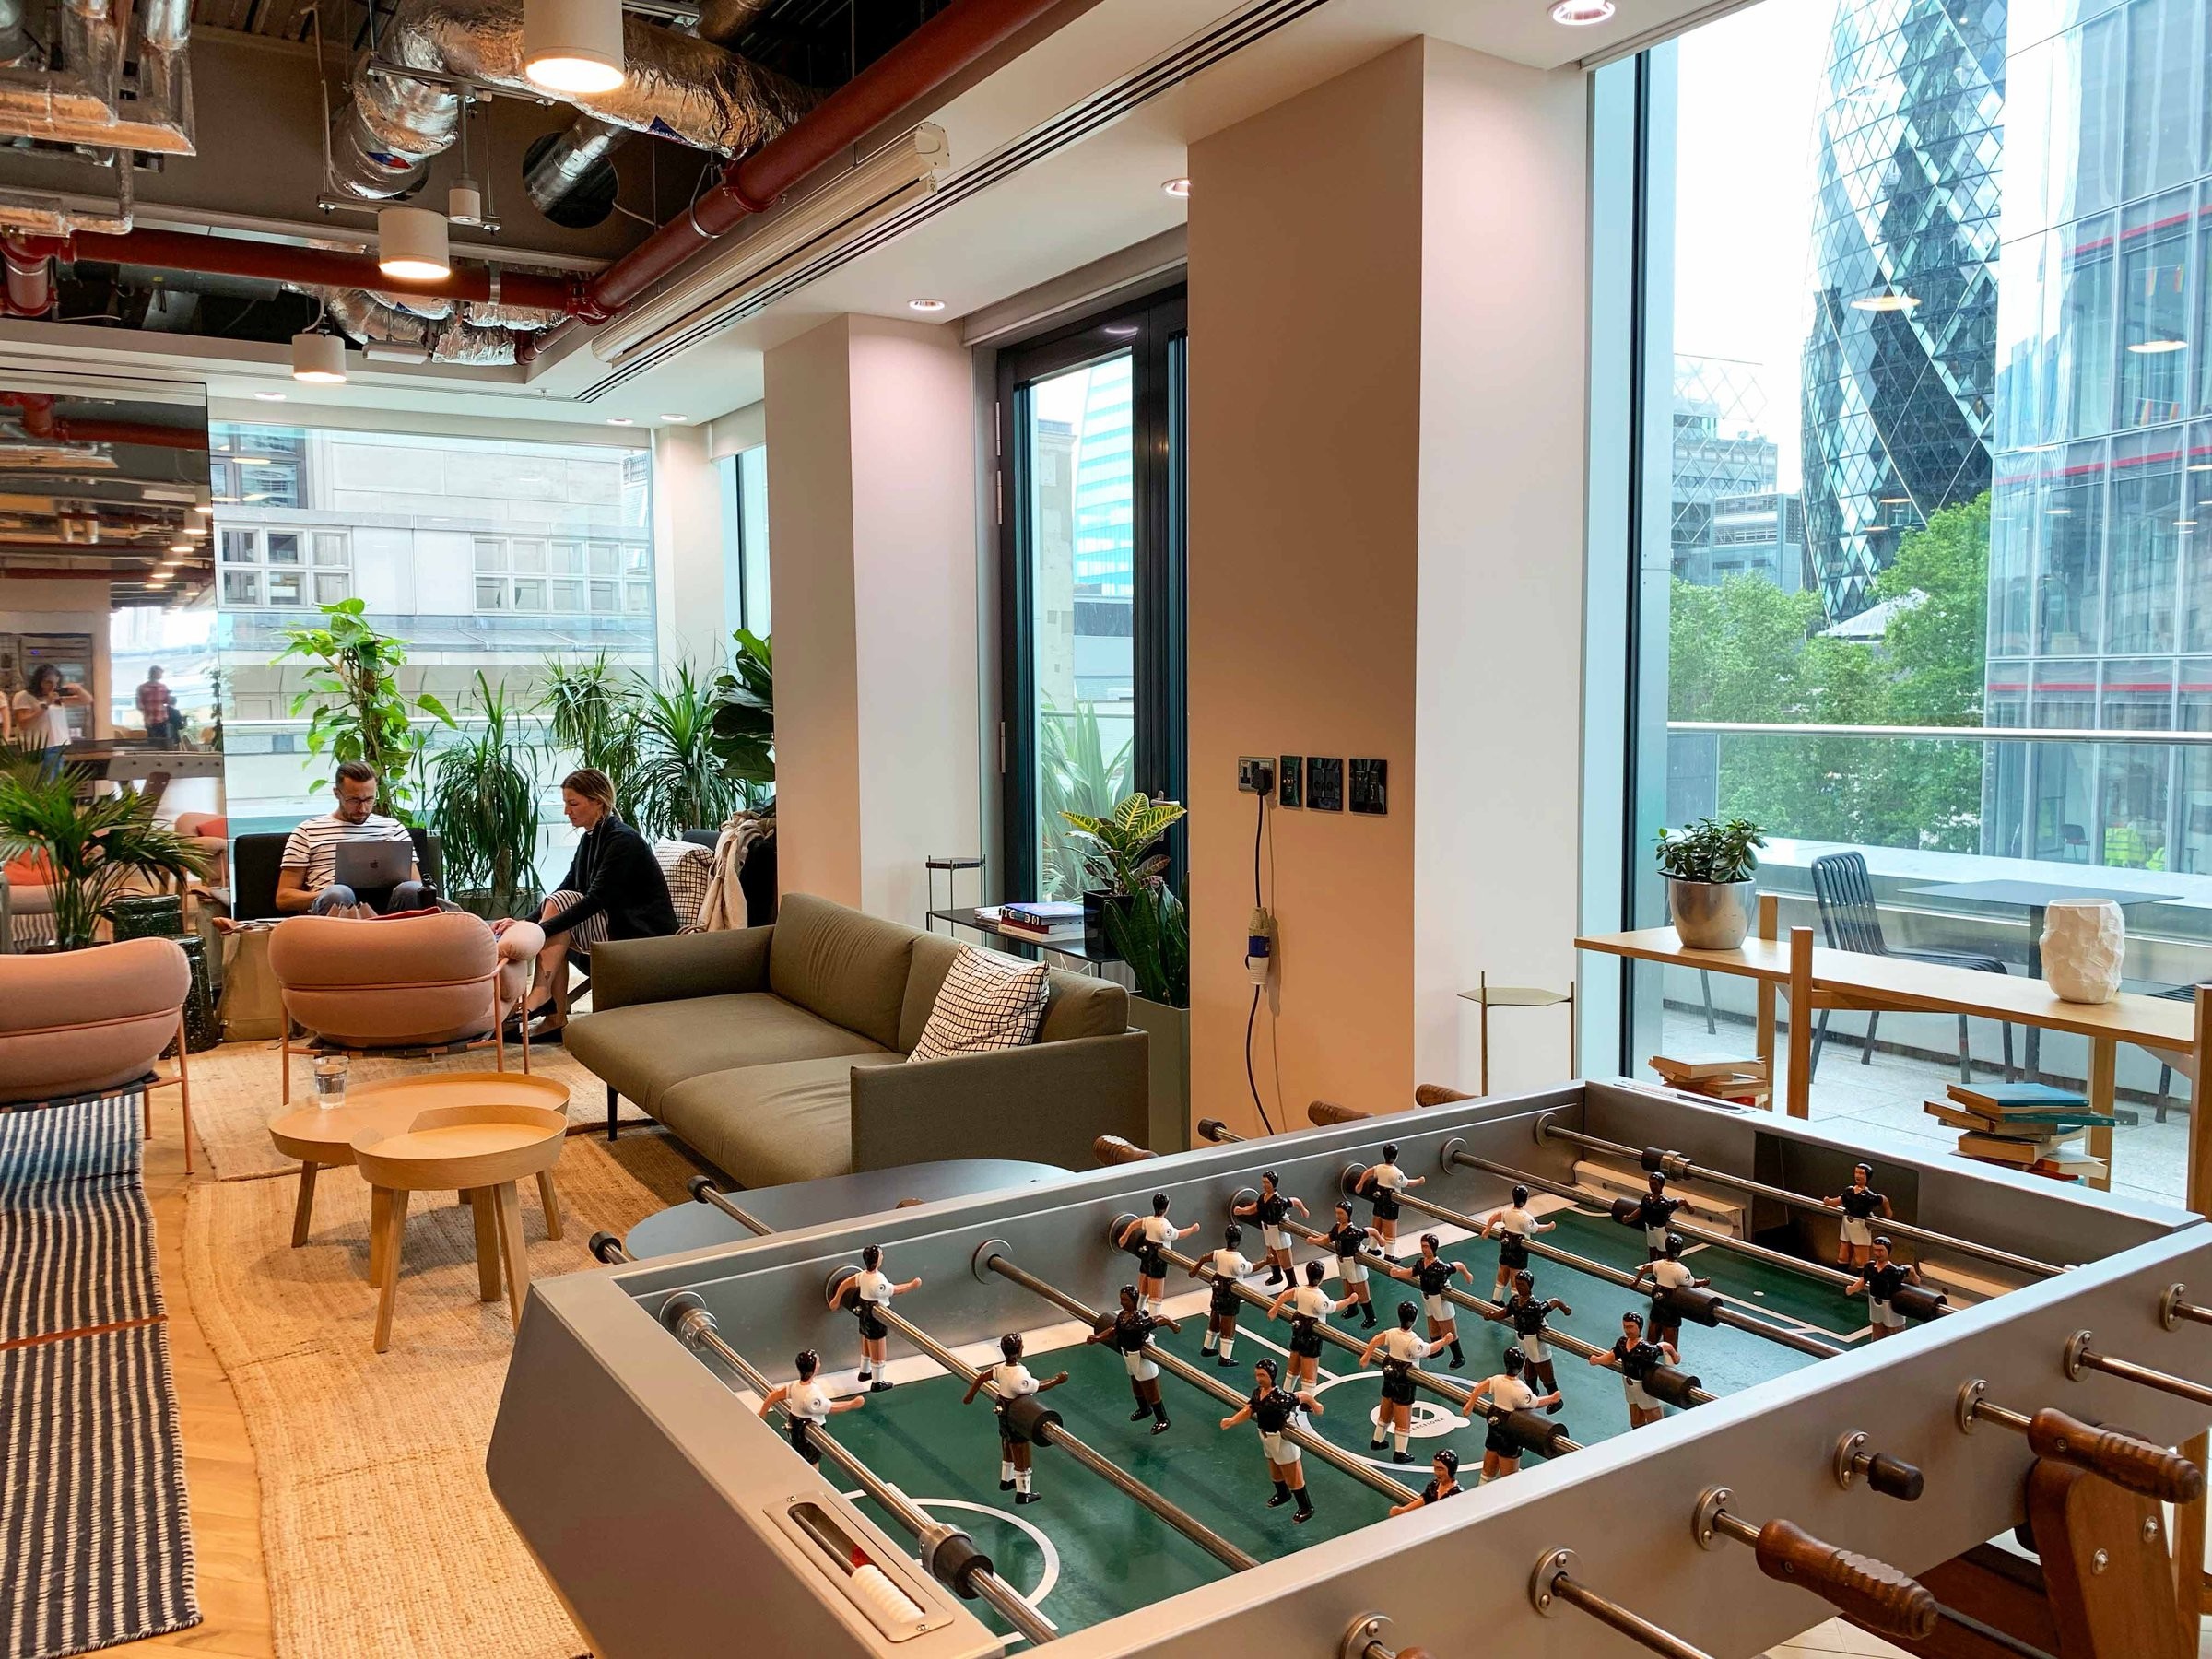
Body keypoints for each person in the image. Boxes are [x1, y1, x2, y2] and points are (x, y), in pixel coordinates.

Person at [497, 768, 678, 1036]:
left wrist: (540, 929)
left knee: (559, 917)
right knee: (560, 911)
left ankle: (542, 995)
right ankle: (554, 1018)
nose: (567, 811)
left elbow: (596, 900)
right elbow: (568, 885)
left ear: (598, 801)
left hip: (638, 932)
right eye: (566, 804)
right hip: (613, 923)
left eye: (573, 803)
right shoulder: (591, 838)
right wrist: (527, 922)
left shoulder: (622, 840)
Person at [276, 760, 434, 915]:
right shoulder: (307, 831)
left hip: (390, 910)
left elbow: (417, 886)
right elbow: (284, 898)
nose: (363, 808)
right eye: (354, 800)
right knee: (338, 893)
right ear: (337, 793)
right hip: (335, 908)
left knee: (412, 889)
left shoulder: (393, 828)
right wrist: (326, 895)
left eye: (369, 799)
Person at [961, 1333, 1067, 1504]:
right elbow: (1038, 1386)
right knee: (1021, 1451)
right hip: (1016, 1413)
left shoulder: (1001, 1368)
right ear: (1018, 1350)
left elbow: (982, 1377)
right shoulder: (1019, 1375)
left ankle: (1006, 1480)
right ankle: (1023, 1492)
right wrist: (1057, 1380)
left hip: (1002, 1409)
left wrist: (970, 1396)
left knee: (1007, 1443)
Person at [1218, 1358, 1323, 1523]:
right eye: (1257, 1375)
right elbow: (1249, 1409)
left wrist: (1315, 1405)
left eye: (1262, 1375)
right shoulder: (1258, 1393)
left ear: (1271, 1376)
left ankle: (1305, 1507)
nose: (1259, 1378)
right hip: (1265, 1434)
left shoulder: (1280, 1398)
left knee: (1293, 1476)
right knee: (1275, 1471)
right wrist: (1232, 1420)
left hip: (1280, 1438)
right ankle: (1282, 1494)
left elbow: (1302, 1396)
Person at [1358, 1300, 1448, 1464]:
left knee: (1386, 1406)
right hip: (1404, 1380)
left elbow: (1377, 1340)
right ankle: (1400, 1452)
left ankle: (1377, 1439)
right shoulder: (1414, 1342)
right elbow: (1429, 1350)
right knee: (1403, 1416)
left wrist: (1367, 1355)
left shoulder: (1392, 1333)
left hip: (1389, 1373)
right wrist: (1445, 1340)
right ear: (1415, 1319)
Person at [829, 1244, 921, 1392]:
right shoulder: (877, 1280)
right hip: (876, 1314)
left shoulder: (864, 1275)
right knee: (878, 1347)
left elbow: (847, 1282)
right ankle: (877, 1382)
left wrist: (837, 1298)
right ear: (877, 1260)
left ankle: (865, 1371)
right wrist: (912, 1285)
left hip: (863, 1310)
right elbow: (894, 1290)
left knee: (866, 1339)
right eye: (881, 1255)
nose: (883, 1257)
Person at [1088, 1285, 1179, 1433]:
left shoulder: (1139, 1320)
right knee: (1136, 1384)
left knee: (1150, 1387)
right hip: (1127, 1353)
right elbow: (1114, 1330)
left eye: (1126, 1300)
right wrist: (1097, 1338)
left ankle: (1162, 1418)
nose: (1122, 1302)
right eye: (1121, 1299)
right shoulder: (1122, 1316)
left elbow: (1161, 1319)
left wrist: (1173, 1326)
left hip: (1140, 1356)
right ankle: (1144, 1409)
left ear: (1134, 1300)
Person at [1379, 1234, 1477, 1369]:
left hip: (1439, 1299)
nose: (1424, 1249)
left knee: (1447, 1328)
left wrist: (1467, 1275)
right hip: (1427, 1297)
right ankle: (1437, 1350)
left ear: (1433, 1247)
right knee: (1432, 1327)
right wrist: (1398, 1273)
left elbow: (1458, 1265)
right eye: (1422, 1246)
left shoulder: (1441, 1267)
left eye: (1426, 1246)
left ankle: (1458, 1356)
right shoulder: (1421, 1263)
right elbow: (1410, 1272)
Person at [757, 1349, 865, 1464]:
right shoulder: (812, 1395)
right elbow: (831, 1407)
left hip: (794, 1425)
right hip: (807, 1431)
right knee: (811, 1461)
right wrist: (852, 1404)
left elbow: (776, 1395)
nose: (820, 1364)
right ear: (814, 1368)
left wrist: (763, 1411)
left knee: (801, 1458)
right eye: (818, 1362)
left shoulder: (795, 1386)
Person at [1265, 1258, 1356, 1390]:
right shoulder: (1320, 1298)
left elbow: (1286, 1295)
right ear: (1321, 1277)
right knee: (1310, 1369)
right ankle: (1307, 1399)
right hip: (1311, 1334)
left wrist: (1275, 1308)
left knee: (1293, 1365)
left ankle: (1286, 1390)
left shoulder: (1301, 1290)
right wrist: (1349, 1300)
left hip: (1298, 1329)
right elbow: (1334, 1307)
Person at [1492, 1268, 1571, 1414]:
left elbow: (1554, 1302)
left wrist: (1565, 1308)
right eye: (1518, 1284)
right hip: (1522, 1338)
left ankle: (1556, 1399)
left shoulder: (1535, 1306)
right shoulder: (1515, 1301)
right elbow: (1506, 1311)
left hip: (1535, 1340)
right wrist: (1492, 1315)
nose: (1520, 1287)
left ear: (1530, 1286)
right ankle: (1531, 1393)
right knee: (1528, 1368)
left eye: (1523, 1284)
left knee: (1544, 1369)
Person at [1473, 1348, 1559, 1481]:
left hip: (1494, 1424)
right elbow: (1535, 1403)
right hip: (1510, 1429)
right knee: (1509, 1479)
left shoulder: (1497, 1380)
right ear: (1522, 1365)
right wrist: (1552, 1399)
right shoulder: (1521, 1390)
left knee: (1487, 1472)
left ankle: (1481, 1490)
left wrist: (1469, 1405)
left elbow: (1480, 1387)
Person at [1587, 1309, 1677, 1429]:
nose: (1627, 1330)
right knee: (1635, 1416)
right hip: (1628, 1382)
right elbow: (1612, 1356)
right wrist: (1598, 1360)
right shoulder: (1622, 1342)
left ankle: (1659, 1436)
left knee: (1652, 1414)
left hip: (1642, 1384)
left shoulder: (1646, 1349)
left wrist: (1675, 1355)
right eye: (1625, 1327)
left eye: (1630, 1327)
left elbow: (1664, 1346)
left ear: (1638, 1327)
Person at [1118, 1193, 1198, 1316]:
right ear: (1166, 1208)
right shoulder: (1164, 1226)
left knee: (1143, 1288)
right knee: (1155, 1295)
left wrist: (1125, 1236)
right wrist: (1192, 1229)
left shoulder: (1149, 1220)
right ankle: (1152, 1320)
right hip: (1158, 1259)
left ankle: (1137, 1313)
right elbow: (1179, 1234)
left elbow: (1135, 1224)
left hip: (1146, 1255)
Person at [1630, 1234, 1710, 1355]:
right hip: (1671, 1308)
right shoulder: (1682, 1271)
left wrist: (1636, 1282)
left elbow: (1644, 1269)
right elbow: (1693, 1284)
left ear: (1666, 1249)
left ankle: (1648, 1358)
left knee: (1651, 1341)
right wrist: (1705, 1281)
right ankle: (1670, 1363)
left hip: (1657, 1303)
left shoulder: (1659, 1264)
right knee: (1671, 1347)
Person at [12, 663, 90, 779]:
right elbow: (24, 723)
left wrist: (78, 689)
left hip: (58, 745)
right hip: (39, 748)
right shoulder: (24, 696)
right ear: (39, 681)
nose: (52, 687)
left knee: (55, 787)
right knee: (42, 787)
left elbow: (86, 700)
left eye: (56, 683)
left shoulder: (57, 698)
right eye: (48, 682)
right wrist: (45, 705)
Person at [1191, 1224, 1254, 1367]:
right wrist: (1266, 1261)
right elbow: (1251, 1268)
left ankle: (1208, 1347)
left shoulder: (1219, 1253)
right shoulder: (1238, 1258)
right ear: (1238, 1241)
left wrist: (1195, 1270)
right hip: (1230, 1293)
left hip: (1217, 1289)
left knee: (1214, 1318)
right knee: (1228, 1325)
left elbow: (1204, 1257)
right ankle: (1225, 1357)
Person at [1479, 1184, 1556, 1299]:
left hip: (1505, 1244)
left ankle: (1496, 1299)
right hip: (1518, 1248)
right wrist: (1550, 1227)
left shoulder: (1507, 1212)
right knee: (1516, 1275)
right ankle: (1515, 1303)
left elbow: (1495, 1216)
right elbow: (1537, 1229)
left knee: (1503, 1270)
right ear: (1525, 1200)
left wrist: (1487, 1229)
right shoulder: (1525, 1218)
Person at [1231, 1171, 1306, 1286]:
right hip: (1266, 1227)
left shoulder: (1278, 1201)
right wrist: (1242, 1211)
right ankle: (1276, 1275)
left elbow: (1295, 1201)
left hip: (1278, 1229)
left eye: (1267, 1182)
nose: (1264, 1185)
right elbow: (1255, 1208)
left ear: (1273, 1184)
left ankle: (1292, 1282)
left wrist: (1303, 1210)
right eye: (1263, 1182)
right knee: (1271, 1253)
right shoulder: (1263, 1197)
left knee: (1283, 1255)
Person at [1845, 1235, 1922, 1341]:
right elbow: (1863, 1280)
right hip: (1874, 1301)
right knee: (1877, 1329)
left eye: (1880, 1250)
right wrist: (1852, 1288)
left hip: (1890, 1303)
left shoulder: (1895, 1271)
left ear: (1888, 1251)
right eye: (1875, 1250)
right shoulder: (1870, 1267)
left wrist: (1914, 1276)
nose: (1877, 1253)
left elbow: (1910, 1269)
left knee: (1895, 1331)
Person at [1323, 1200, 1383, 1328]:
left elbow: (1371, 1230)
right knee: (1347, 1285)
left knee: (1360, 1288)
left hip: (1353, 1262)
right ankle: (1352, 1308)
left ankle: (1370, 1316)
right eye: (1337, 1213)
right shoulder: (1337, 1228)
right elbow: (1328, 1238)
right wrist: (1314, 1240)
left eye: (1341, 1213)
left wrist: (1380, 1240)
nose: (1338, 1215)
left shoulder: (1353, 1232)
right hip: (1341, 1260)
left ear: (1348, 1214)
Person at [1822, 1163, 1892, 1267]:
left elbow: (1883, 1199)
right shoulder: (1849, 1191)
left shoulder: (1869, 1196)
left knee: (1861, 1260)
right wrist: (1830, 1202)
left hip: (1860, 1225)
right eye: (1856, 1172)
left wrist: (1888, 1212)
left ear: (1867, 1177)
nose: (1858, 1176)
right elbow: (1840, 1200)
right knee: (1843, 1256)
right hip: (1847, 1223)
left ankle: (1862, 1279)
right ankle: (1841, 1277)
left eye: (1861, 1173)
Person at [1358, 1142, 1424, 1249]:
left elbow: (1368, 1172)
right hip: (1390, 1201)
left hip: (1378, 1198)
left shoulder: (1379, 1168)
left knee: (1376, 1225)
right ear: (1396, 1157)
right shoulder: (1396, 1173)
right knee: (1390, 1229)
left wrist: (1360, 1184)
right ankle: (1389, 1254)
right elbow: (1408, 1183)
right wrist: (1419, 1181)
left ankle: (1372, 1248)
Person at [135, 665, 177, 747]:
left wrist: (169, 696)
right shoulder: (142, 688)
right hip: (150, 719)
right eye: (159, 673)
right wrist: (145, 717)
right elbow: (139, 704)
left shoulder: (163, 687)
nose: (161, 675)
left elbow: (167, 702)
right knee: (153, 743)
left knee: (164, 742)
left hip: (163, 718)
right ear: (152, 673)